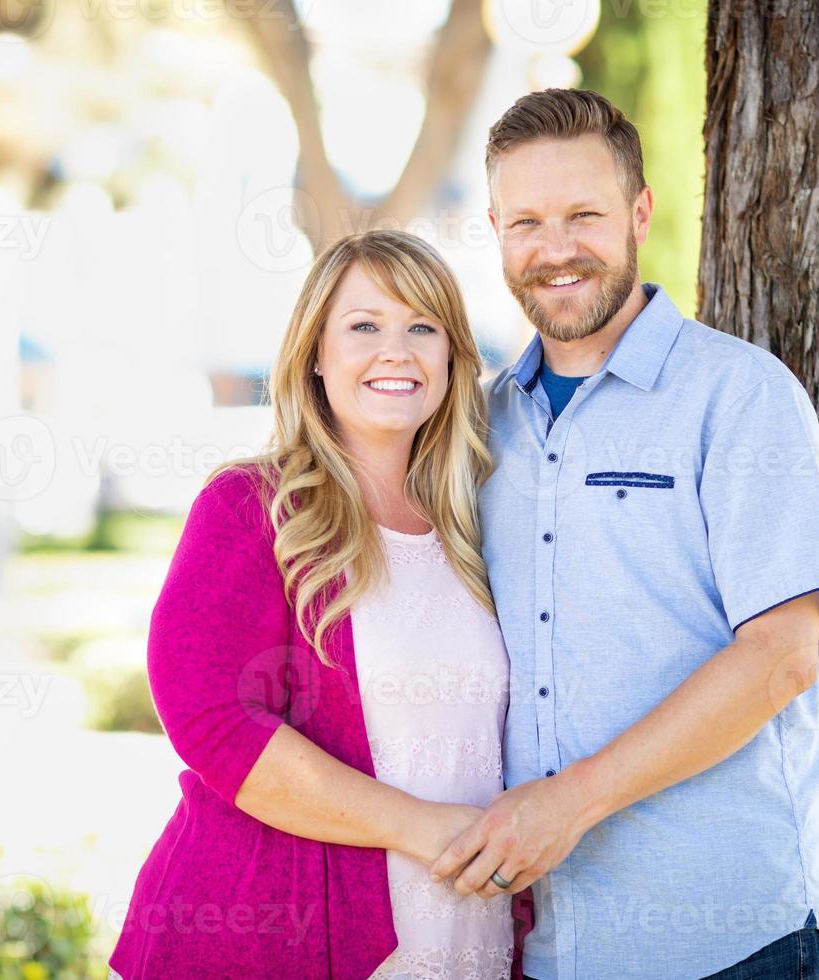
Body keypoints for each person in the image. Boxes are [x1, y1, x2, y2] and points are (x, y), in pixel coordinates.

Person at [427, 87, 819, 980]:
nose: (556, 250)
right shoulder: (479, 428)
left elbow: (780, 658)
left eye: (584, 214)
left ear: (639, 213)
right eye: (526, 222)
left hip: (733, 939)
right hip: (549, 948)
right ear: (497, 231)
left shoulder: (740, 396)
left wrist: (569, 805)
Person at [108, 229, 516, 979]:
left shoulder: (480, 524)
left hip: (465, 933)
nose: (396, 350)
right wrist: (423, 830)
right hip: (275, 935)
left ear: (453, 357)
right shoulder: (252, 508)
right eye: (364, 326)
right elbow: (210, 717)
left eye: (421, 327)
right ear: (315, 355)